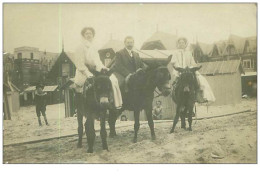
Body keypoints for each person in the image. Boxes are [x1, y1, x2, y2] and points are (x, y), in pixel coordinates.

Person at [72, 27, 122, 109]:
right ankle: (82, 106)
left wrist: (104, 68)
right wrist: (88, 73)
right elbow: (79, 64)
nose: (89, 35)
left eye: (90, 33)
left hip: (95, 71)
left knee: (112, 79)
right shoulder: (80, 47)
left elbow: (98, 62)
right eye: (86, 33)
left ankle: (114, 104)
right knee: (87, 86)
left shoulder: (94, 47)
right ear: (83, 35)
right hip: (83, 72)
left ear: (93, 35)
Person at [171, 37, 216, 103]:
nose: (181, 44)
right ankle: (174, 93)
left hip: (188, 70)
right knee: (175, 81)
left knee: (200, 79)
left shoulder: (189, 53)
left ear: (185, 44)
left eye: (183, 43)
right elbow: (174, 62)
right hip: (179, 70)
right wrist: (180, 69)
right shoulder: (175, 53)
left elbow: (192, 62)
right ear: (178, 44)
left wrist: (192, 67)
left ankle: (199, 95)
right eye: (180, 43)